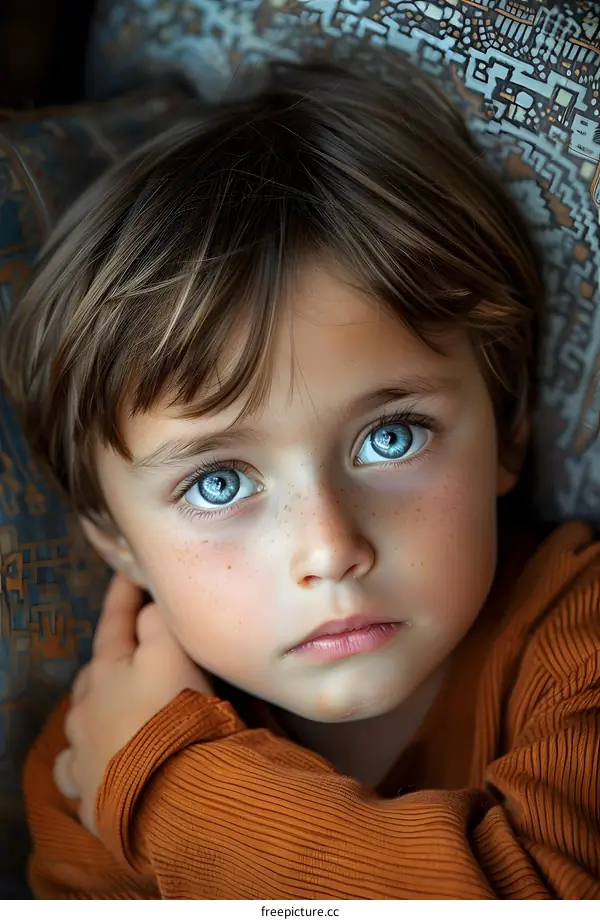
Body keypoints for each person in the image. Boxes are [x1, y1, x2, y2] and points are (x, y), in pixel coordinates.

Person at [2, 62, 599, 900]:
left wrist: (173, 793)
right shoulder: (91, 746)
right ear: (114, 536)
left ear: (509, 428)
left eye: (391, 437)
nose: (329, 548)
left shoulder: (581, 647)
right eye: (217, 484)